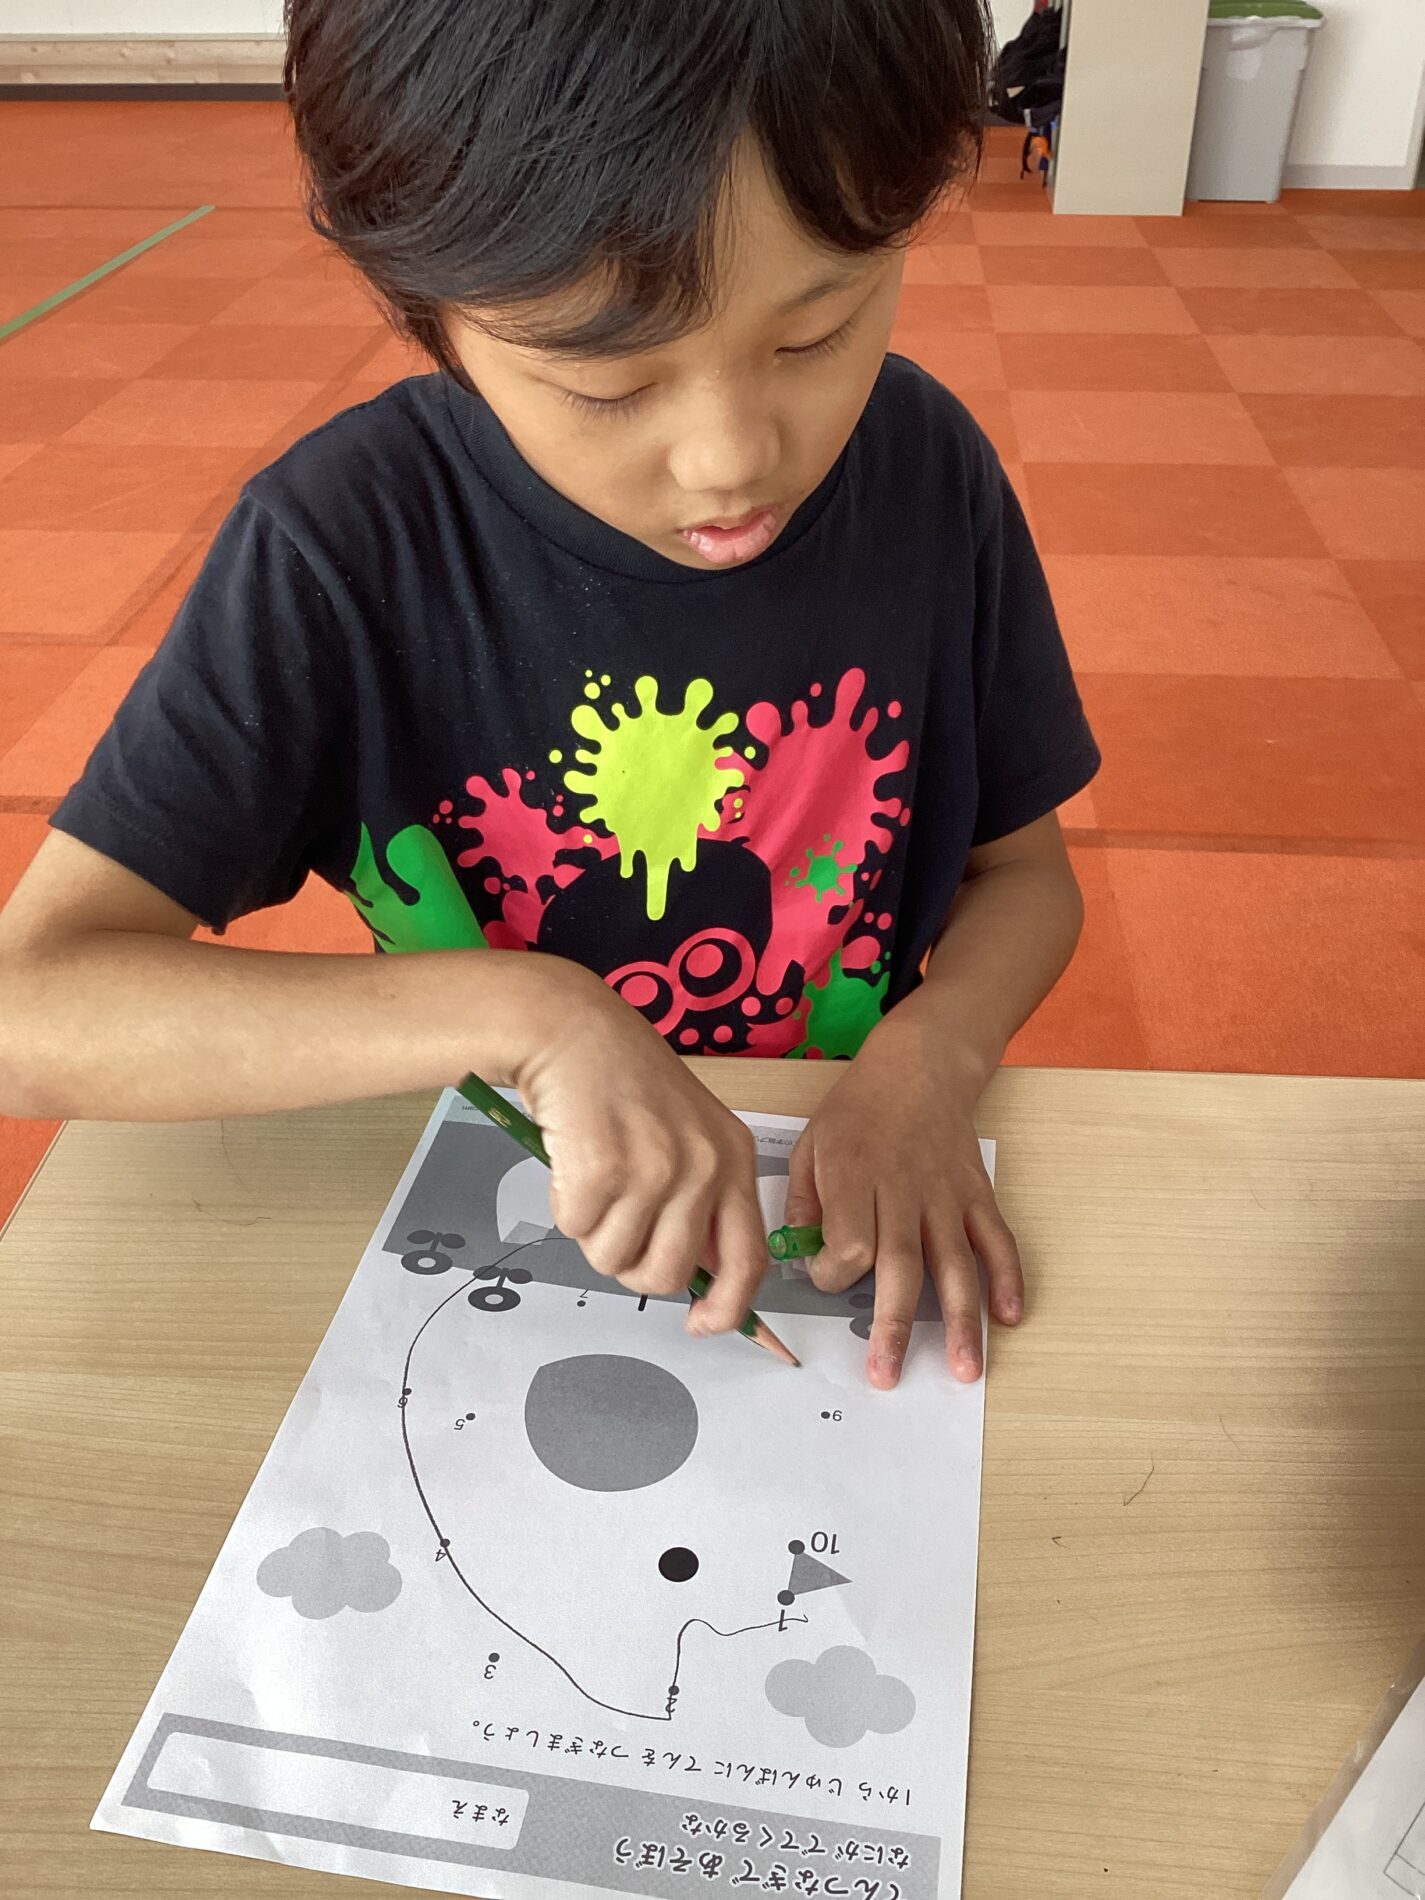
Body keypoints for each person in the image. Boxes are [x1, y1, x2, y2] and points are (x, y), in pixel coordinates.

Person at [0, 0, 1098, 1391]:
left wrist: (931, 1056)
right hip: (511, 1192)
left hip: (843, 1155)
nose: (729, 457)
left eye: (815, 333)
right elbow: (29, 1011)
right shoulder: (344, 547)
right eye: (607, 381)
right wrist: (532, 1018)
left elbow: (1025, 876)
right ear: (433, 316)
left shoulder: (928, 474)